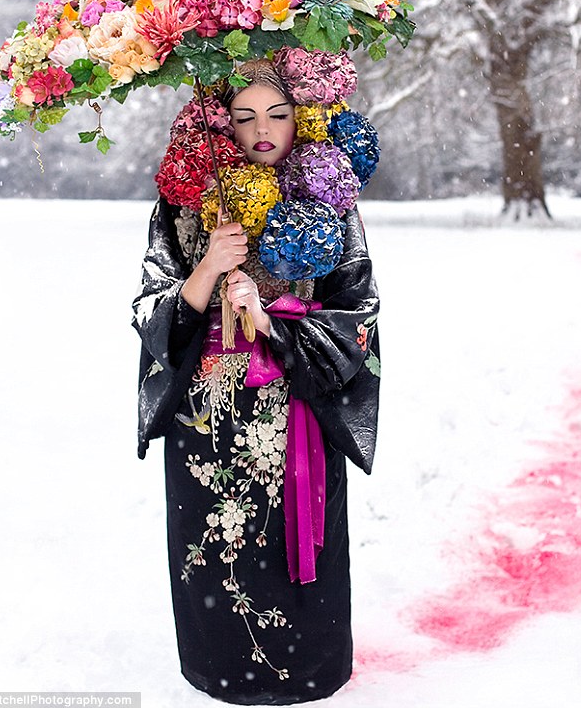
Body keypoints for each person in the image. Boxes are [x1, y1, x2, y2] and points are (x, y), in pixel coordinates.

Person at [132, 58, 380, 705]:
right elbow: (148, 311)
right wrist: (209, 267)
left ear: (303, 116)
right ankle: (217, 668)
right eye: (244, 117)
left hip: (296, 404)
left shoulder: (331, 200)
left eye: (278, 113)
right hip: (206, 414)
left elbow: (358, 317)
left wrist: (271, 325)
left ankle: (309, 670)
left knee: (295, 551)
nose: (262, 130)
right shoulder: (186, 202)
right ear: (222, 124)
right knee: (215, 546)